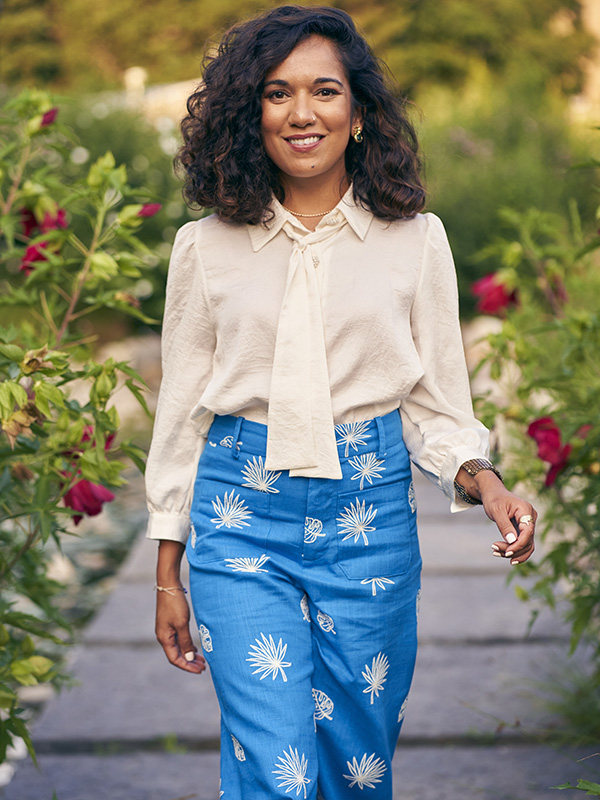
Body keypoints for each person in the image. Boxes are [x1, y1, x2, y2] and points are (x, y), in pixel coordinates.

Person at [145, 6, 536, 798]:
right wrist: (167, 572)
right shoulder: (204, 247)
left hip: (370, 523)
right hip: (238, 518)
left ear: (357, 112)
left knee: (359, 768)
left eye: (324, 91)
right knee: (277, 766)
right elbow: (183, 412)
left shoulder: (416, 240)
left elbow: (434, 402)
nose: (301, 113)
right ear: (247, 113)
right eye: (276, 93)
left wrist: (485, 483)